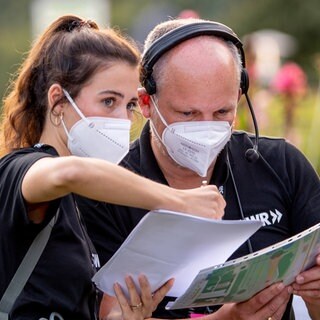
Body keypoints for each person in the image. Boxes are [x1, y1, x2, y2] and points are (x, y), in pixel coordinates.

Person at [77, 17, 320, 320]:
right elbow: (106, 314)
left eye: (222, 111)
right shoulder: (107, 188)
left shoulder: (283, 167)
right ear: (146, 102)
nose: (206, 128)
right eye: (188, 113)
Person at [0, 15, 226, 320]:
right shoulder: (22, 168)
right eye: (109, 102)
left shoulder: (76, 205)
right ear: (58, 101)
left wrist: (126, 316)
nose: (122, 118)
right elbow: (71, 172)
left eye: (130, 105)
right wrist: (180, 201)